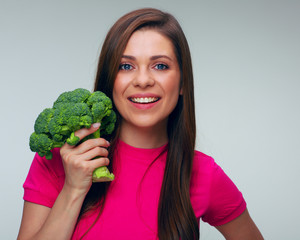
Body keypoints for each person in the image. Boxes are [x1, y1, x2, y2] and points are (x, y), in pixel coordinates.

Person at [17, 8, 263, 240]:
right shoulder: (63, 158)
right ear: (109, 80)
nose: (143, 80)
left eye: (160, 66)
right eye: (126, 66)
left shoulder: (203, 174)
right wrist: (73, 189)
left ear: (183, 83)